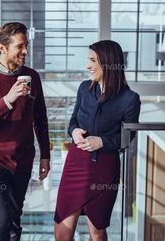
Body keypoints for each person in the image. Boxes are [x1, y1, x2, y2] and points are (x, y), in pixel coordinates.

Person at [0, 22, 50, 241]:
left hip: (22, 161)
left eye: (27, 45)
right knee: (0, 222)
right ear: (2, 48)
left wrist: (46, 156)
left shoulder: (33, 77)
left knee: (13, 222)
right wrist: (7, 100)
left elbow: (40, 119)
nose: (26, 51)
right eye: (20, 46)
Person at [54, 40, 141, 241]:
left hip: (104, 169)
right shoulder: (84, 89)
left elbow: (129, 138)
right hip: (76, 164)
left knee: (96, 232)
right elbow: (73, 120)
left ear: (108, 63)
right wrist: (74, 131)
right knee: (61, 232)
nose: (88, 66)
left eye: (93, 60)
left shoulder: (130, 99)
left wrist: (102, 142)